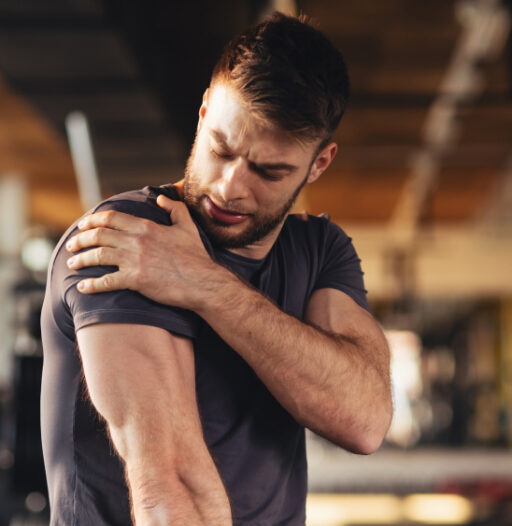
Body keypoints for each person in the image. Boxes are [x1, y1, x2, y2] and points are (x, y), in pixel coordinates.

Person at [41, 12, 392, 526]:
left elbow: (364, 419)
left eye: (269, 171)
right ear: (204, 113)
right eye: (221, 149)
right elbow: (169, 488)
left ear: (319, 164)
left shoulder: (318, 249)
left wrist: (204, 284)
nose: (230, 186)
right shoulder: (132, 237)